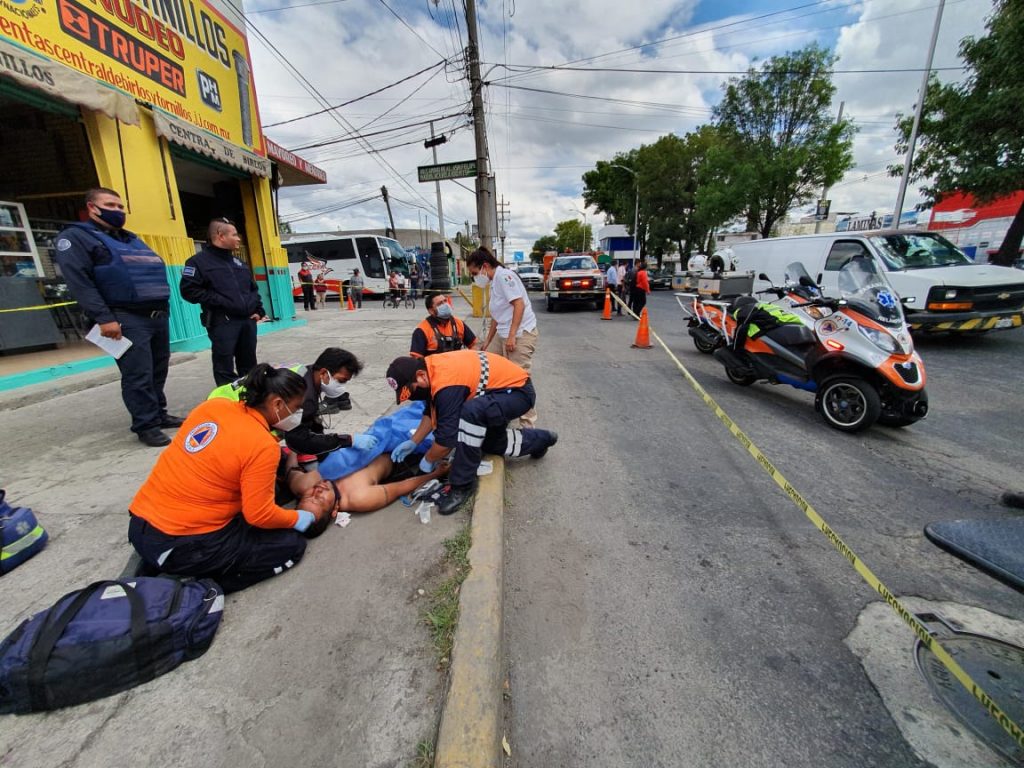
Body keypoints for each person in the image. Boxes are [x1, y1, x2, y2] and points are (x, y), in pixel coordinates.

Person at [128, 365, 336, 593]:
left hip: (141, 523)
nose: (297, 415)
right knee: (290, 546)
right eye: (295, 408)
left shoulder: (213, 407)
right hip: (181, 545)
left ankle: (159, 559)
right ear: (277, 404)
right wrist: (297, 518)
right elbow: (260, 515)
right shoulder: (261, 445)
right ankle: (198, 586)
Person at [54, 187, 183, 447]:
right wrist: (104, 318)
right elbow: (80, 282)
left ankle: (158, 413)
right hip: (124, 317)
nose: (118, 211)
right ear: (92, 207)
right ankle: (145, 425)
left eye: (120, 207)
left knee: (158, 369)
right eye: (110, 205)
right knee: (138, 374)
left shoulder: (129, 238)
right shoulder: (76, 237)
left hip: (155, 316)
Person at [385, 351, 558, 515]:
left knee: (470, 414)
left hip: (517, 393)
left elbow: (446, 441)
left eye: (412, 390)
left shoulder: (447, 382)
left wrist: (428, 459)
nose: (412, 396)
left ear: (421, 375)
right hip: (499, 393)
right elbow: (432, 413)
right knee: (491, 443)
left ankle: (462, 485)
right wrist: (414, 442)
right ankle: (542, 439)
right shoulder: (432, 371)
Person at [207, 349, 369, 461]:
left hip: (220, 398)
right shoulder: (303, 395)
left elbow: (309, 423)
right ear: (323, 373)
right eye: (341, 381)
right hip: (226, 415)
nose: (342, 387)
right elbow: (299, 440)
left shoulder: (304, 371)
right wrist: (347, 440)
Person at [180, 219, 266, 386]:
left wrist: (259, 310)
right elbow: (189, 291)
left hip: (247, 321)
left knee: (249, 363)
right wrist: (222, 301)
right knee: (224, 365)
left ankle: (251, 397)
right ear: (220, 236)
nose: (239, 239)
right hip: (222, 321)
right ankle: (228, 401)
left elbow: (252, 289)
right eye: (234, 235)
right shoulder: (198, 262)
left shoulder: (239, 263)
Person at [465, 246, 540, 428]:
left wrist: (512, 336)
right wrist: (487, 343)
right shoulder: (494, 281)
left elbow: (519, 305)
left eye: (475, 273)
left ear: (484, 266)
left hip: (521, 333)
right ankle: (498, 411)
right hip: (503, 333)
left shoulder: (505, 277)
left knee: (519, 378)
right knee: (489, 367)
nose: (475, 278)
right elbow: (496, 318)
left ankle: (528, 427)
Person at [411, 294, 477, 358]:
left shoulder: (459, 324)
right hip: (434, 368)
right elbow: (417, 359)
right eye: (440, 304)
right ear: (431, 311)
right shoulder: (422, 330)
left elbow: (474, 345)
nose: (445, 305)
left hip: (456, 367)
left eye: (445, 301)